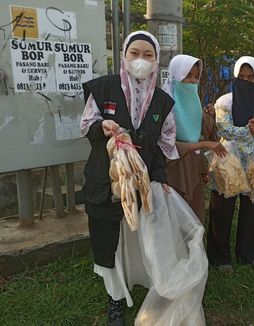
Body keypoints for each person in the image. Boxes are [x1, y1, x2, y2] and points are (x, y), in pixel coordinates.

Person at [80, 31, 175, 325]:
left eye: (148, 55)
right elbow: (86, 125)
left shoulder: (162, 101)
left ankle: (145, 286)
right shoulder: (103, 88)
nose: (141, 61)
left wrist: (159, 179)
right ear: (123, 54)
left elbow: (163, 144)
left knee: (138, 240)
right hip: (107, 183)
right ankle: (116, 299)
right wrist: (102, 125)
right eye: (135, 53)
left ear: (157, 60)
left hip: (140, 187)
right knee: (110, 243)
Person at [206, 56, 254, 271]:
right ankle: (219, 256)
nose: (246, 81)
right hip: (229, 163)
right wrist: (247, 130)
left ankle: (248, 252)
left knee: (251, 210)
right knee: (222, 209)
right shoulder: (225, 102)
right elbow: (224, 129)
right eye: (242, 77)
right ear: (235, 78)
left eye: (251, 77)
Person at [162, 54, 227, 222]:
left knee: (195, 222)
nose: (192, 81)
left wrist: (209, 117)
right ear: (176, 75)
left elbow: (205, 137)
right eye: (187, 75)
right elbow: (164, 146)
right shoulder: (163, 105)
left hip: (195, 172)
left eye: (196, 76)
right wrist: (203, 143)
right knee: (176, 225)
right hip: (174, 173)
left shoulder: (195, 102)